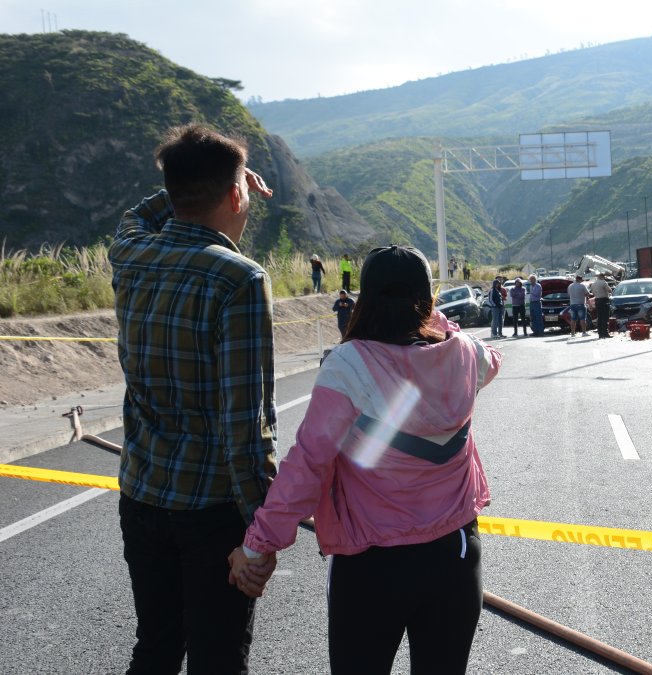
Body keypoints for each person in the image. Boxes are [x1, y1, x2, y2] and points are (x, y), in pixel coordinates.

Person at [228, 245, 502, 675]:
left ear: (364, 301)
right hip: (455, 556)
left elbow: (308, 466)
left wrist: (257, 545)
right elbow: (492, 362)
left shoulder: (349, 366)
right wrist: (436, 321)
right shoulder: (466, 354)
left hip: (374, 567)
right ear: (428, 300)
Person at [109, 123, 278, 675]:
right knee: (218, 659)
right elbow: (244, 426)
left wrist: (182, 186)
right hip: (210, 513)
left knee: (155, 648)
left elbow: (137, 216)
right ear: (236, 195)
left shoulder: (131, 255)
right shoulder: (239, 280)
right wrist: (261, 530)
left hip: (141, 496)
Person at [590, 273, 612, 338]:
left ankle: (600, 333)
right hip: (604, 300)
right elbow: (609, 290)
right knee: (605, 317)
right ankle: (605, 333)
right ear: (602, 276)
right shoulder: (603, 282)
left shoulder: (593, 284)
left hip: (597, 300)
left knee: (599, 317)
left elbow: (593, 292)